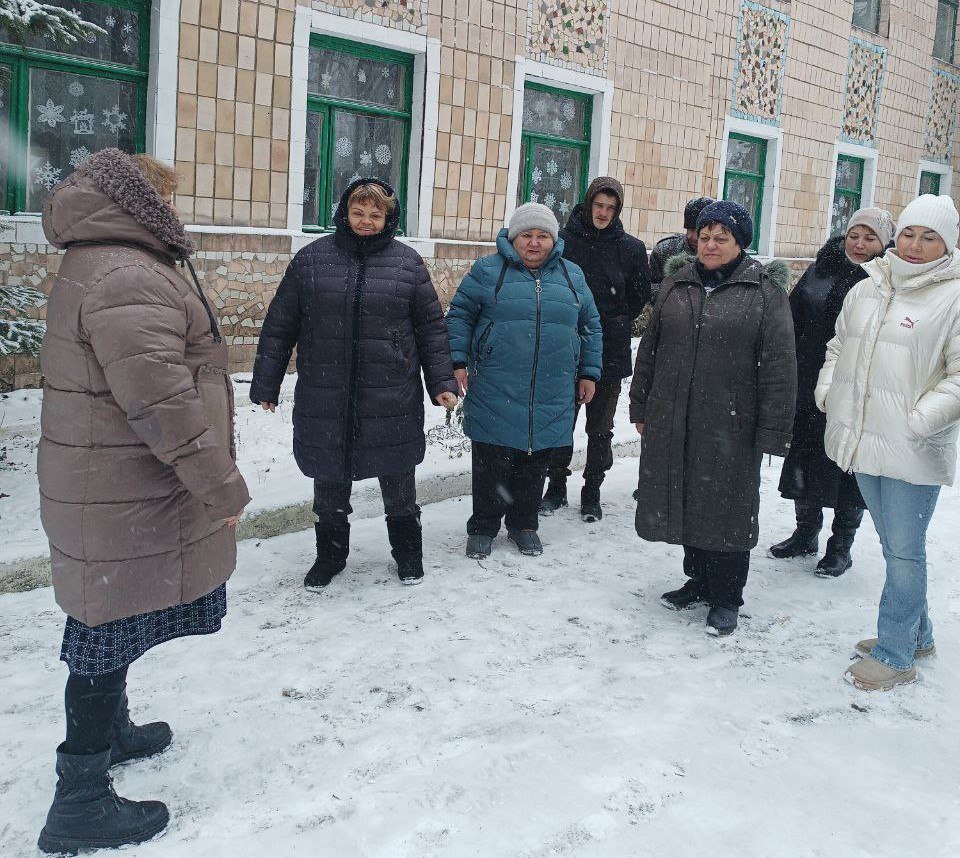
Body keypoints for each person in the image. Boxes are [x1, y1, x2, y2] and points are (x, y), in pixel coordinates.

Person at [36, 149, 250, 853]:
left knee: (112, 613)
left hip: (111, 482)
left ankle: (113, 733)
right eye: (168, 198)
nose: (176, 211)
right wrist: (219, 486)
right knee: (100, 630)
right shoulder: (129, 274)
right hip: (122, 485)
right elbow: (162, 403)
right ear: (140, 204)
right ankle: (80, 802)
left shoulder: (101, 260)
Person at [250, 178, 458, 589]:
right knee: (329, 480)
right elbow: (280, 325)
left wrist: (441, 382)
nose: (366, 221)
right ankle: (330, 557)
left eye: (375, 215)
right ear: (344, 213)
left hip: (391, 393)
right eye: (358, 212)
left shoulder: (407, 264)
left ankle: (408, 554)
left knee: (398, 481)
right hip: (326, 392)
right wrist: (266, 384)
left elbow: (431, 329)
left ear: (389, 218)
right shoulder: (312, 260)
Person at [630, 200, 796, 636]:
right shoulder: (677, 284)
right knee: (686, 496)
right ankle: (699, 580)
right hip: (674, 415)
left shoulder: (764, 292)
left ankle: (726, 597)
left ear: (741, 243)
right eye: (704, 237)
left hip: (732, 423)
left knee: (727, 508)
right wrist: (641, 405)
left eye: (722, 238)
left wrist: (773, 430)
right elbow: (650, 349)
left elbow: (780, 366)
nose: (710, 245)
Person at [817, 194, 960, 691]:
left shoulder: (953, 297)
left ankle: (896, 654)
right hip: (862, 439)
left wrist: (918, 422)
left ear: (948, 245)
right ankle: (918, 636)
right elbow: (838, 345)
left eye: (930, 237)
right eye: (909, 234)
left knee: (903, 554)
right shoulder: (869, 287)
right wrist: (828, 392)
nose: (915, 245)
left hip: (912, 447)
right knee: (895, 546)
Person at [447, 202, 603, 559]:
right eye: (527, 235)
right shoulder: (488, 271)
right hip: (495, 382)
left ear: (554, 239)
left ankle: (524, 524)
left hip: (552, 385)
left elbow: (591, 326)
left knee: (535, 460)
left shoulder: (572, 275)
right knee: (491, 459)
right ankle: (483, 526)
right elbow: (460, 316)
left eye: (543, 236)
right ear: (513, 238)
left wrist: (589, 372)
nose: (534, 243)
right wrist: (457, 362)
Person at [770, 208, 895, 576]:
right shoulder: (820, 269)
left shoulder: (887, 280)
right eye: (854, 235)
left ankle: (841, 547)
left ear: (884, 243)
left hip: (857, 389)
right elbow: (792, 317)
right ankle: (805, 533)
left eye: (870, 238)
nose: (859, 244)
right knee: (806, 459)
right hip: (809, 383)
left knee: (848, 469)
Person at [540, 177, 650, 521]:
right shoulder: (563, 242)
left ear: (618, 210)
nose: (603, 213)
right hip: (565, 345)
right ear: (588, 204)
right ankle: (556, 485)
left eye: (610, 208)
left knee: (600, 428)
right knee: (560, 421)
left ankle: (592, 489)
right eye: (598, 205)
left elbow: (638, 296)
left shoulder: (631, 249)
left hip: (609, 349)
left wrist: (612, 320)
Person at [648, 196, 715, 292]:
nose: (694, 237)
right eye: (690, 229)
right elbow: (650, 287)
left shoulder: (724, 254)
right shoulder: (665, 250)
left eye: (700, 231)